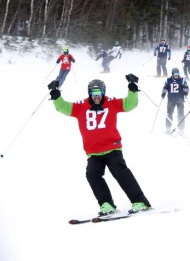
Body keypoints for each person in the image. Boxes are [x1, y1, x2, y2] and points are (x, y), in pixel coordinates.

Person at [47, 75, 151, 215]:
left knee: (120, 173)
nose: (97, 97)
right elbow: (64, 108)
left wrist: (132, 89)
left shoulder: (111, 103)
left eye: (100, 93)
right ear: (89, 93)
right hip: (93, 151)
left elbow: (129, 104)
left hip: (112, 148)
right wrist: (56, 95)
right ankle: (107, 204)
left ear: (104, 92)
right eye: (94, 93)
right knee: (92, 174)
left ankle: (140, 201)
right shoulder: (81, 106)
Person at [161, 68, 190, 133]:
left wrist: (186, 92)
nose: (177, 76)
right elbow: (165, 88)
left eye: (178, 74)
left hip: (180, 100)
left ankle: (181, 128)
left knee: (181, 114)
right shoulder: (168, 80)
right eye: (175, 74)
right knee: (169, 114)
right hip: (171, 100)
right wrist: (163, 93)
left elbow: (186, 88)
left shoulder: (182, 80)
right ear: (172, 74)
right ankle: (168, 128)